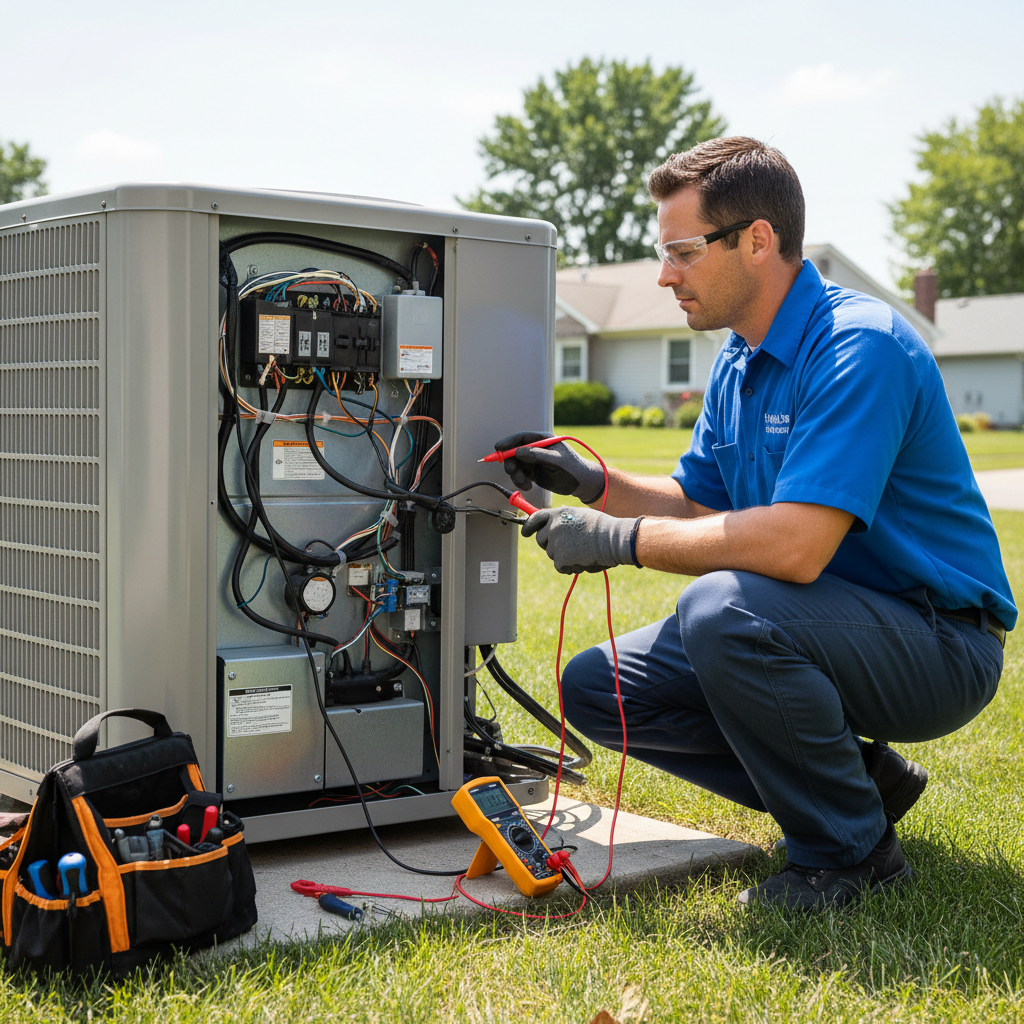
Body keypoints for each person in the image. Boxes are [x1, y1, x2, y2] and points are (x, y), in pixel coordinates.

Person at [494, 137, 1015, 911]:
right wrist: (598, 486)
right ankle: (855, 786)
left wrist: (621, 543)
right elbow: (698, 502)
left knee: (721, 608)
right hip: (820, 623)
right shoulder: (740, 358)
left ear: (758, 241)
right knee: (597, 688)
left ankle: (847, 853)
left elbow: (797, 549)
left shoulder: (856, 347)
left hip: (936, 639)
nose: (666, 274)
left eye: (682, 251)